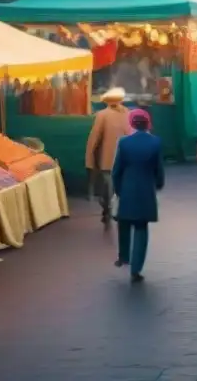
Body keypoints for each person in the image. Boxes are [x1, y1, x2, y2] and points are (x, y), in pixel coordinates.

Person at [111, 108, 165, 283]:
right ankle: (136, 268)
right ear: (147, 123)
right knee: (141, 228)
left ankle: (124, 256)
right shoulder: (156, 142)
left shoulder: (124, 142)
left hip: (127, 189)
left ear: (132, 123)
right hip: (146, 191)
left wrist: (118, 190)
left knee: (124, 223)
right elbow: (159, 169)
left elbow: (116, 171)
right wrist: (157, 185)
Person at [84, 87, 130, 227]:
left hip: (108, 159)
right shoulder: (128, 114)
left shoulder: (102, 115)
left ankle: (107, 209)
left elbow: (94, 137)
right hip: (126, 158)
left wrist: (89, 157)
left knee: (107, 186)